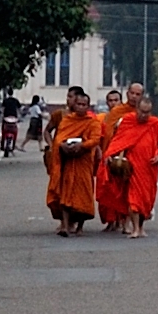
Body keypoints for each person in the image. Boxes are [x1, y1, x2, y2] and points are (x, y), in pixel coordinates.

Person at [44, 85, 104, 235]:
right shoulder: (66, 119)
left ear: (88, 106)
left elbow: (95, 139)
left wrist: (82, 146)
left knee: (82, 193)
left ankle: (80, 227)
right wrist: (61, 146)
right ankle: (64, 225)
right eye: (78, 104)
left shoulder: (92, 122)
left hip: (83, 161)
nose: (81, 107)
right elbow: (59, 138)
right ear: (74, 105)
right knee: (65, 192)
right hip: (68, 161)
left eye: (84, 105)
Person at [122, 95, 158, 238]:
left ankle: (141, 227)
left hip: (150, 167)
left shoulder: (155, 124)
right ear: (136, 109)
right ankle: (135, 228)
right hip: (133, 166)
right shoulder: (128, 121)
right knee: (133, 199)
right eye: (142, 111)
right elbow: (119, 141)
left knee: (146, 200)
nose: (144, 115)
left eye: (147, 112)